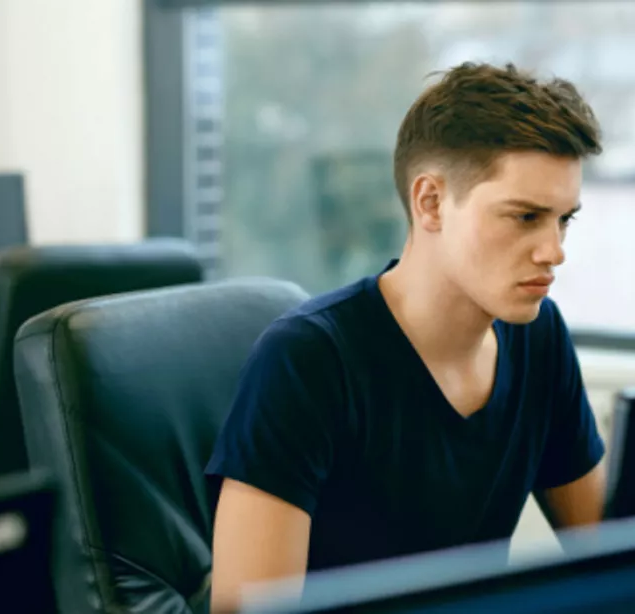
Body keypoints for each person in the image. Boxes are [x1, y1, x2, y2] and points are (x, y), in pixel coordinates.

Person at [205, 61, 607, 611]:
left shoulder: (540, 340)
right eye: (525, 217)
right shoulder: (309, 360)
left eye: (565, 220)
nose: (554, 250)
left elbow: (622, 555)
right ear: (431, 202)